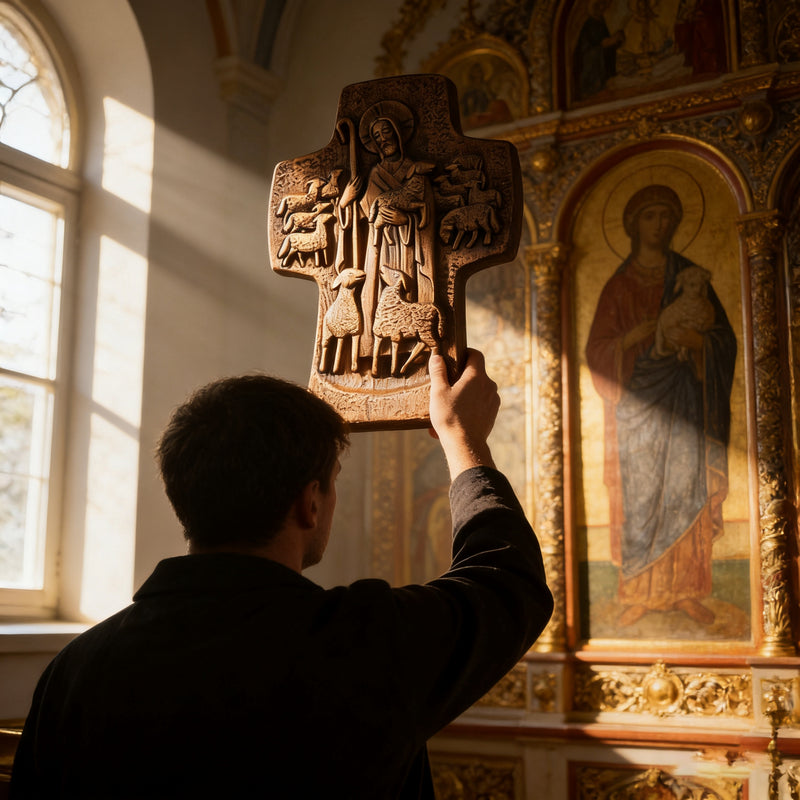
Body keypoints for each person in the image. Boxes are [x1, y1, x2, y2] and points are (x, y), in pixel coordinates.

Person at [10, 349, 553, 799]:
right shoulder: (363, 645)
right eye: (332, 481)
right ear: (309, 504)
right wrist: (464, 441)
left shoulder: (76, 671)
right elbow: (507, 582)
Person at [585, 184, 736, 628]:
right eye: (651, 216)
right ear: (633, 225)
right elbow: (596, 352)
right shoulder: (618, 286)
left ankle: (687, 591)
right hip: (636, 411)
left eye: (666, 217)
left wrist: (701, 345)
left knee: (685, 488)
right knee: (643, 493)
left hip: (686, 400)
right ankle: (640, 591)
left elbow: (724, 340)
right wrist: (632, 339)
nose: (660, 224)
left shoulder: (692, 276)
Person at [338, 100, 437, 361]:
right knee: (382, 294)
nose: (383, 140)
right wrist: (344, 202)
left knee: (408, 291)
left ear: (398, 134)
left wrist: (406, 219)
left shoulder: (416, 173)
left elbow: (428, 214)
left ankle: (411, 345)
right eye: (376, 137)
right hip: (380, 247)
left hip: (408, 245)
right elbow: (360, 218)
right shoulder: (375, 174)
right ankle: (378, 348)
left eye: (386, 133)